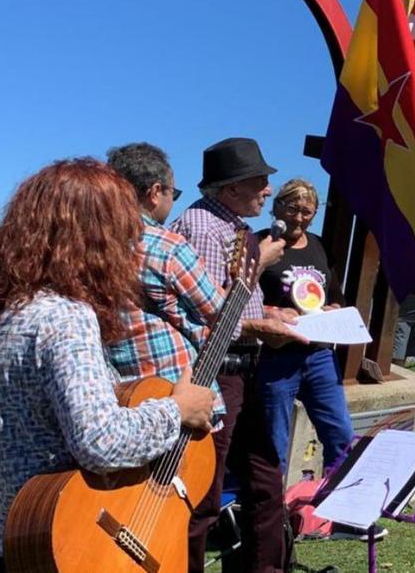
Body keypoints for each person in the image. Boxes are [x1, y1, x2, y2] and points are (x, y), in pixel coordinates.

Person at [0, 159, 215, 564]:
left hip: (19, 529)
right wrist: (177, 410)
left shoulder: (13, 309)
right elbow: (102, 441)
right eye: (121, 232)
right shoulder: (66, 317)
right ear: (95, 239)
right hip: (67, 536)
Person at [173, 137, 304, 572]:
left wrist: (271, 311)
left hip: (245, 369)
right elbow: (209, 315)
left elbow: (233, 302)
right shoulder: (206, 228)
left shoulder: (233, 227)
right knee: (203, 493)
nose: (269, 190)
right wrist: (261, 268)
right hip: (216, 373)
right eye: (260, 181)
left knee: (265, 479)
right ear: (229, 189)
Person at [105, 142, 227, 429]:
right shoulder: (166, 246)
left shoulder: (90, 245)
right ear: (155, 192)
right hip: (176, 387)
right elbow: (223, 316)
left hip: (122, 396)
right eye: (174, 193)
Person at [254, 179, 355, 480]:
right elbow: (240, 297)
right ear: (277, 207)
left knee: (341, 434)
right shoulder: (259, 243)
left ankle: (336, 508)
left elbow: (336, 296)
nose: (298, 217)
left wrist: (333, 310)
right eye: (292, 208)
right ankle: (274, 517)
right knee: (274, 442)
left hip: (319, 354)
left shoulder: (320, 247)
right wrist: (272, 313)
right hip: (276, 357)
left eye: (307, 211)